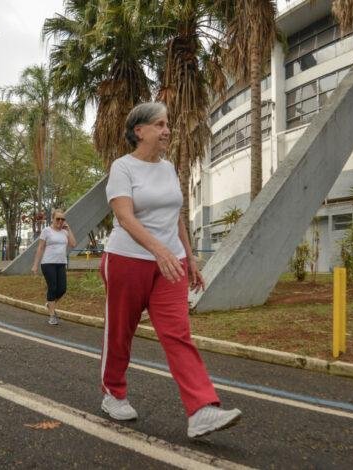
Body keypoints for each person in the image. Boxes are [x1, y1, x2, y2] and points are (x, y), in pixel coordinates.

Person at [99, 101, 242, 438]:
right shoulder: (123, 167)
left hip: (170, 263)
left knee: (178, 334)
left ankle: (202, 410)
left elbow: (174, 215)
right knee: (121, 333)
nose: (167, 131)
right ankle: (113, 393)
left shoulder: (168, 168)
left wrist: (188, 257)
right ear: (140, 131)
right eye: (160, 125)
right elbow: (125, 216)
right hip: (127, 261)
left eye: (167, 125)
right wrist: (158, 249)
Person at [32, 209, 76, 325]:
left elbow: (73, 244)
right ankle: (52, 315)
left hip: (61, 263)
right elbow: (40, 248)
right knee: (53, 287)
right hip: (48, 263)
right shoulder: (46, 231)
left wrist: (69, 228)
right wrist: (35, 265)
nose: (60, 221)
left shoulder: (65, 232)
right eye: (58, 219)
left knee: (62, 289)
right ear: (52, 219)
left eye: (63, 219)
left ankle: (49, 303)